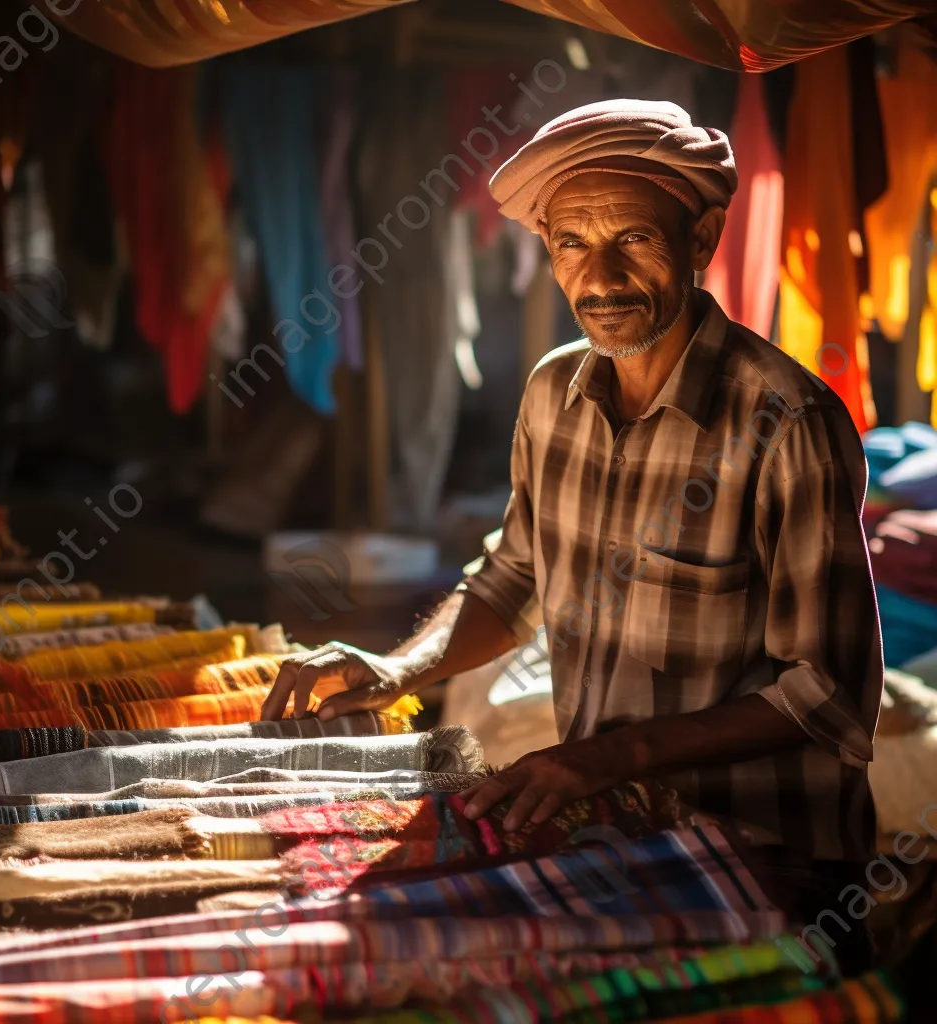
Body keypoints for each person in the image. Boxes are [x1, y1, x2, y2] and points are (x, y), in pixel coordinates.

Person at [262, 100, 882, 969]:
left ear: (701, 239)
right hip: (610, 834)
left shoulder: (788, 423)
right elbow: (513, 579)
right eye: (571, 244)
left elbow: (831, 699)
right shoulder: (553, 397)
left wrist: (604, 759)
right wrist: (395, 667)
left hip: (768, 863)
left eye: (633, 239)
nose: (599, 277)